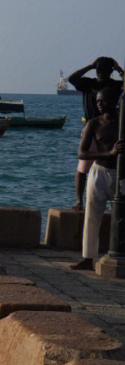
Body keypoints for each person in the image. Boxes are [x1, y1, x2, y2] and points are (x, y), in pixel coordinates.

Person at [71, 89, 124, 270]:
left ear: (114, 101)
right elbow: (82, 153)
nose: (99, 104)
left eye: (103, 101)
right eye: (98, 101)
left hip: (119, 173)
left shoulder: (122, 121)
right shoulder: (94, 124)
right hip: (99, 172)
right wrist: (109, 153)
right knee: (92, 215)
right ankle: (88, 257)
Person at [69, 57, 124, 210]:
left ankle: (116, 203)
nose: (101, 73)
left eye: (105, 70)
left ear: (110, 71)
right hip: (91, 128)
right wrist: (89, 66)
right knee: (83, 167)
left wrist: (119, 69)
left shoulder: (114, 85)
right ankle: (79, 201)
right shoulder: (89, 83)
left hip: (111, 128)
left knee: (114, 166)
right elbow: (72, 78)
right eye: (99, 70)